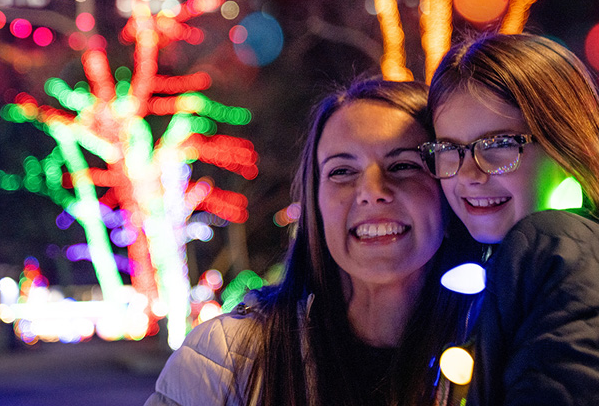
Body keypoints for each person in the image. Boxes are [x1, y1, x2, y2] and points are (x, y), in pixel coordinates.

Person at [144, 77, 478, 406]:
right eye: (342, 171)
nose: (373, 192)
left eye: (404, 165)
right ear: (314, 205)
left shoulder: (498, 350)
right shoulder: (226, 358)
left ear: (450, 191)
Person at [423, 32, 599, 406]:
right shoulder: (510, 273)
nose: (469, 173)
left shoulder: (559, 244)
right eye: (449, 149)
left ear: (565, 142)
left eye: (499, 144)